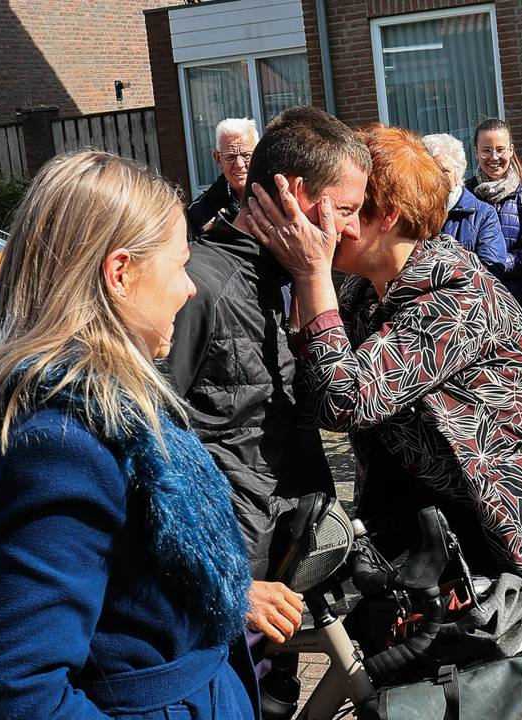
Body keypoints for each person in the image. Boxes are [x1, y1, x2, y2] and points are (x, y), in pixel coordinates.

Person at [246, 123, 522, 720]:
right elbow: (314, 393)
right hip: (483, 540)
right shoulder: (362, 293)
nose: (325, 228)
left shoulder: (451, 292)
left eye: (346, 210)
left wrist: (311, 277)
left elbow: (347, 400)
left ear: (388, 216)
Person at [0, 151, 254, 719]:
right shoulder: (63, 443)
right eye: (180, 265)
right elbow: (22, 696)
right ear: (120, 274)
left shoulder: (112, 407)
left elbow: (123, 593)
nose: (189, 289)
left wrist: (204, 601)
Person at [162, 105, 366, 714]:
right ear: (293, 194)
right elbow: (144, 444)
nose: (351, 231)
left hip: (278, 565)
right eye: (346, 209)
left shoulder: (280, 281)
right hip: (229, 584)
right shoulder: (198, 286)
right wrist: (227, 580)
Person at [468, 118, 522, 320]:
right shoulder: (464, 196)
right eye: (486, 150)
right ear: (476, 152)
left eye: (500, 149)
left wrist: (494, 263)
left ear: (511, 150)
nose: (494, 157)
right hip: (477, 306)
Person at [421, 133, 508, 278]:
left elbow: (491, 271)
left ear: (458, 172)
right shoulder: (413, 213)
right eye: (430, 170)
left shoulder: (483, 214)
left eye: (444, 171)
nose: (437, 177)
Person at [187, 118, 259, 237]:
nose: (239, 165)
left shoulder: (276, 195)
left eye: (246, 155)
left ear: (257, 154)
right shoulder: (199, 213)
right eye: (230, 157)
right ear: (218, 159)